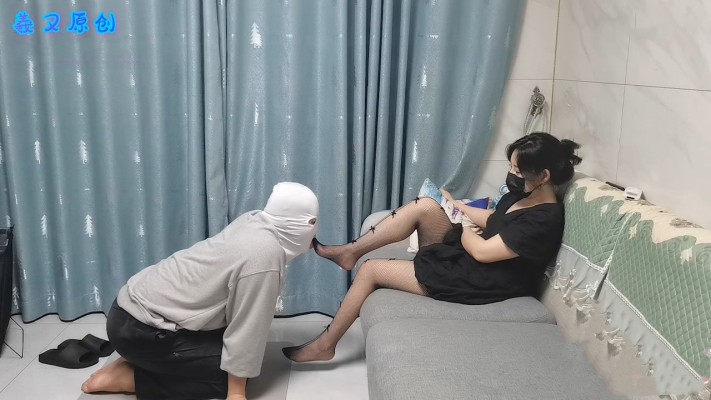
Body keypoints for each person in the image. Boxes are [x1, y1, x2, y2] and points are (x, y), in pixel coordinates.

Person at [282, 132, 581, 363]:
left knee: (372, 270)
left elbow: (482, 252)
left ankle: (325, 345)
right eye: (511, 166)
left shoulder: (544, 220)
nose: (512, 174)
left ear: (544, 176)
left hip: (485, 279)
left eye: (518, 169)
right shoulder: (525, 195)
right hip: (473, 259)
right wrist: (454, 204)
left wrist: (464, 229)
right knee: (425, 206)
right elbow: (494, 219)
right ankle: (351, 252)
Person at [81, 182, 319, 400]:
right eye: (313, 223)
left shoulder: (254, 221)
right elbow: (247, 329)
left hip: (128, 308)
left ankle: (139, 359)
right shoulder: (265, 256)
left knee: (236, 358)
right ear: (302, 223)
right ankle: (131, 377)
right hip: (140, 330)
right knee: (230, 373)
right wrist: (236, 393)